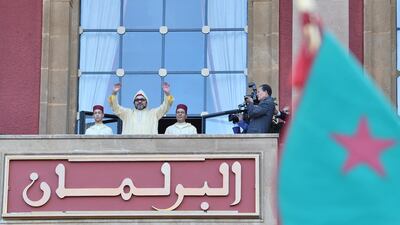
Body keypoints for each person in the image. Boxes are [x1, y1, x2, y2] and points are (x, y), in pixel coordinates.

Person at [109, 82, 173, 134]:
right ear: (134, 102)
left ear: (146, 102)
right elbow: (115, 107)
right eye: (137, 100)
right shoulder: (127, 113)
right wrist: (114, 93)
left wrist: (167, 94)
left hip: (148, 147)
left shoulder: (153, 113)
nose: (139, 101)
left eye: (142, 100)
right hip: (129, 147)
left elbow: (165, 106)